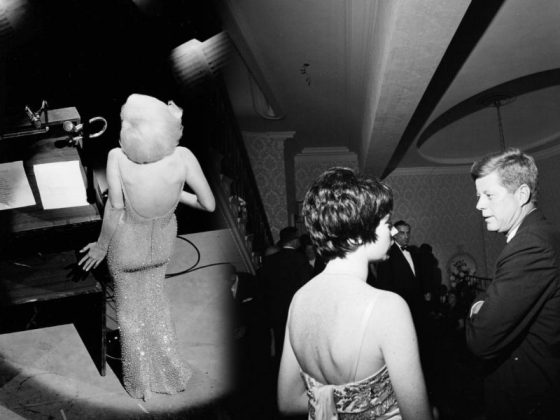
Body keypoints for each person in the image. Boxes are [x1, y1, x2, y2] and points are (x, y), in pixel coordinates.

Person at [78, 93, 215, 400]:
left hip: (126, 247)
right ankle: (170, 375)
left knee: (129, 315)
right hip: (161, 246)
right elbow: (208, 204)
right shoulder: (184, 157)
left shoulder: (117, 157)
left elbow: (115, 208)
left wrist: (100, 246)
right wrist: (176, 191)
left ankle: (139, 384)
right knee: (156, 306)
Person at [277, 167, 433, 419]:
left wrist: (342, 403)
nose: (392, 232)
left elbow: (287, 401)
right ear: (358, 235)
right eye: (387, 224)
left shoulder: (300, 298)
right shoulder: (387, 306)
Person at [466, 148, 560, 419]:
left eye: (489, 195)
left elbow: (481, 339)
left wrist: (478, 304)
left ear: (521, 195)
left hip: (527, 399)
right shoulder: (536, 236)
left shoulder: (531, 245)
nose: (479, 205)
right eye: (478, 196)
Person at [258, 226, 313, 365]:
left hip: (276, 310)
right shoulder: (300, 259)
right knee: (297, 346)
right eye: (298, 238)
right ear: (294, 241)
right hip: (295, 310)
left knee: (280, 343)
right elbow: (306, 286)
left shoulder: (270, 259)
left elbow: (264, 285)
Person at [374, 221, 430, 330]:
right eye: (402, 233)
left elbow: (418, 276)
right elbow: (384, 283)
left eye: (408, 233)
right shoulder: (387, 254)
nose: (406, 236)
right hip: (401, 305)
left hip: (417, 304)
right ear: (394, 235)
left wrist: (426, 291)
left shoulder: (413, 252)